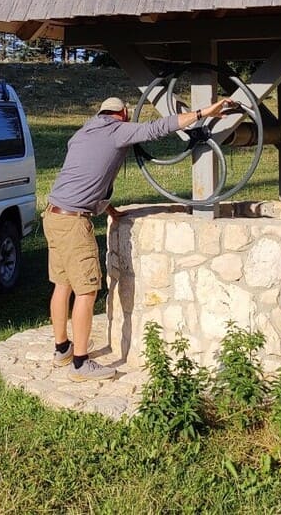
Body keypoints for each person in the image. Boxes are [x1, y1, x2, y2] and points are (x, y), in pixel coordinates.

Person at [45, 94, 240, 381]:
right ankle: (80, 363)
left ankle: (62, 348)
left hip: (53, 215)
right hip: (74, 223)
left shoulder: (82, 133)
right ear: (123, 113)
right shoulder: (118, 130)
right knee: (86, 291)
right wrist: (204, 112)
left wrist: (108, 208)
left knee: (62, 285)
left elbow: (87, 174)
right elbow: (160, 128)